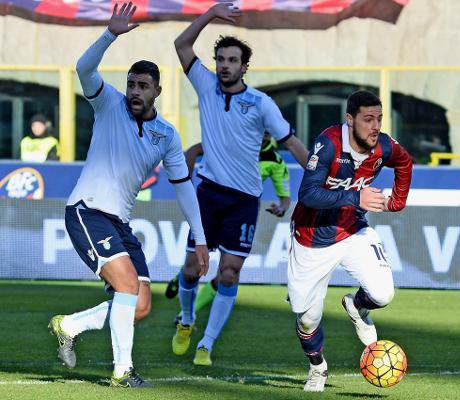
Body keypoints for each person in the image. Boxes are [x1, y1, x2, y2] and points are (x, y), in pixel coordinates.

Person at [47, 2, 209, 388]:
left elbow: (184, 186)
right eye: (132, 84)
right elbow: (83, 69)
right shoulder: (108, 105)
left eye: (143, 86)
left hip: (120, 221)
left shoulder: (167, 135)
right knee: (125, 287)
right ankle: (123, 372)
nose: (135, 91)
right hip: (86, 212)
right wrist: (109, 35)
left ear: (157, 90)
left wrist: (200, 238)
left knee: (138, 305)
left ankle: (69, 325)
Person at [171, 2, 308, 367]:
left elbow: (290, 142)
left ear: (244, 66)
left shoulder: (261, 103)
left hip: (245, 200)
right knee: (189, 270)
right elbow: (182, 45)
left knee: (228, 273)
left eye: (232, 60)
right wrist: (211, 14)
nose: (225, 65)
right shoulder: (204, 85)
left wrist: (315, 171)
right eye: (221, 59)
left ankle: (207, 344)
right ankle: (186, 321)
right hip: (208, 194)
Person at [288, 90, 412, 392]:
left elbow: (405, 163)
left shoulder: (382, 146)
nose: (375, 126)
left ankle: (357, 307)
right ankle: (318, 367)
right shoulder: (329, 143)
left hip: (352, 229)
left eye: (379, 118)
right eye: (368, 119)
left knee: (383, 294)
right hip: (312, 238)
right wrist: (356, 195)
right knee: (307, 320)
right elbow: (307, 194)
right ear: (350, 119)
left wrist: (397, 201)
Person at [165, 132, 293, 320]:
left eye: (266, 130)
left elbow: (285, 197)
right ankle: (184, 277)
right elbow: (194, 150)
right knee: (194, 266)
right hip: (214, 206)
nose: (261, 134)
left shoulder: (275, 160)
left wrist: (281, 208)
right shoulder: (231, 138)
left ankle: (185, 315)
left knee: (227, 274)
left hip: (243, 213)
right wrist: (186, 182)